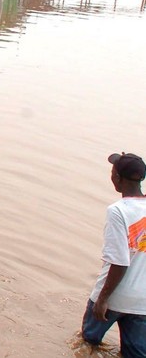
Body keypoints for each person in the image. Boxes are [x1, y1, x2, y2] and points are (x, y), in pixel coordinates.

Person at [81, 152, 146, 357]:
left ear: (117, 178)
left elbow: (119, 262)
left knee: (88, 341)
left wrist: (102, 299)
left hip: (115, 295)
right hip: (142, 303)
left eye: (112, 172)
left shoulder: (117, 211)